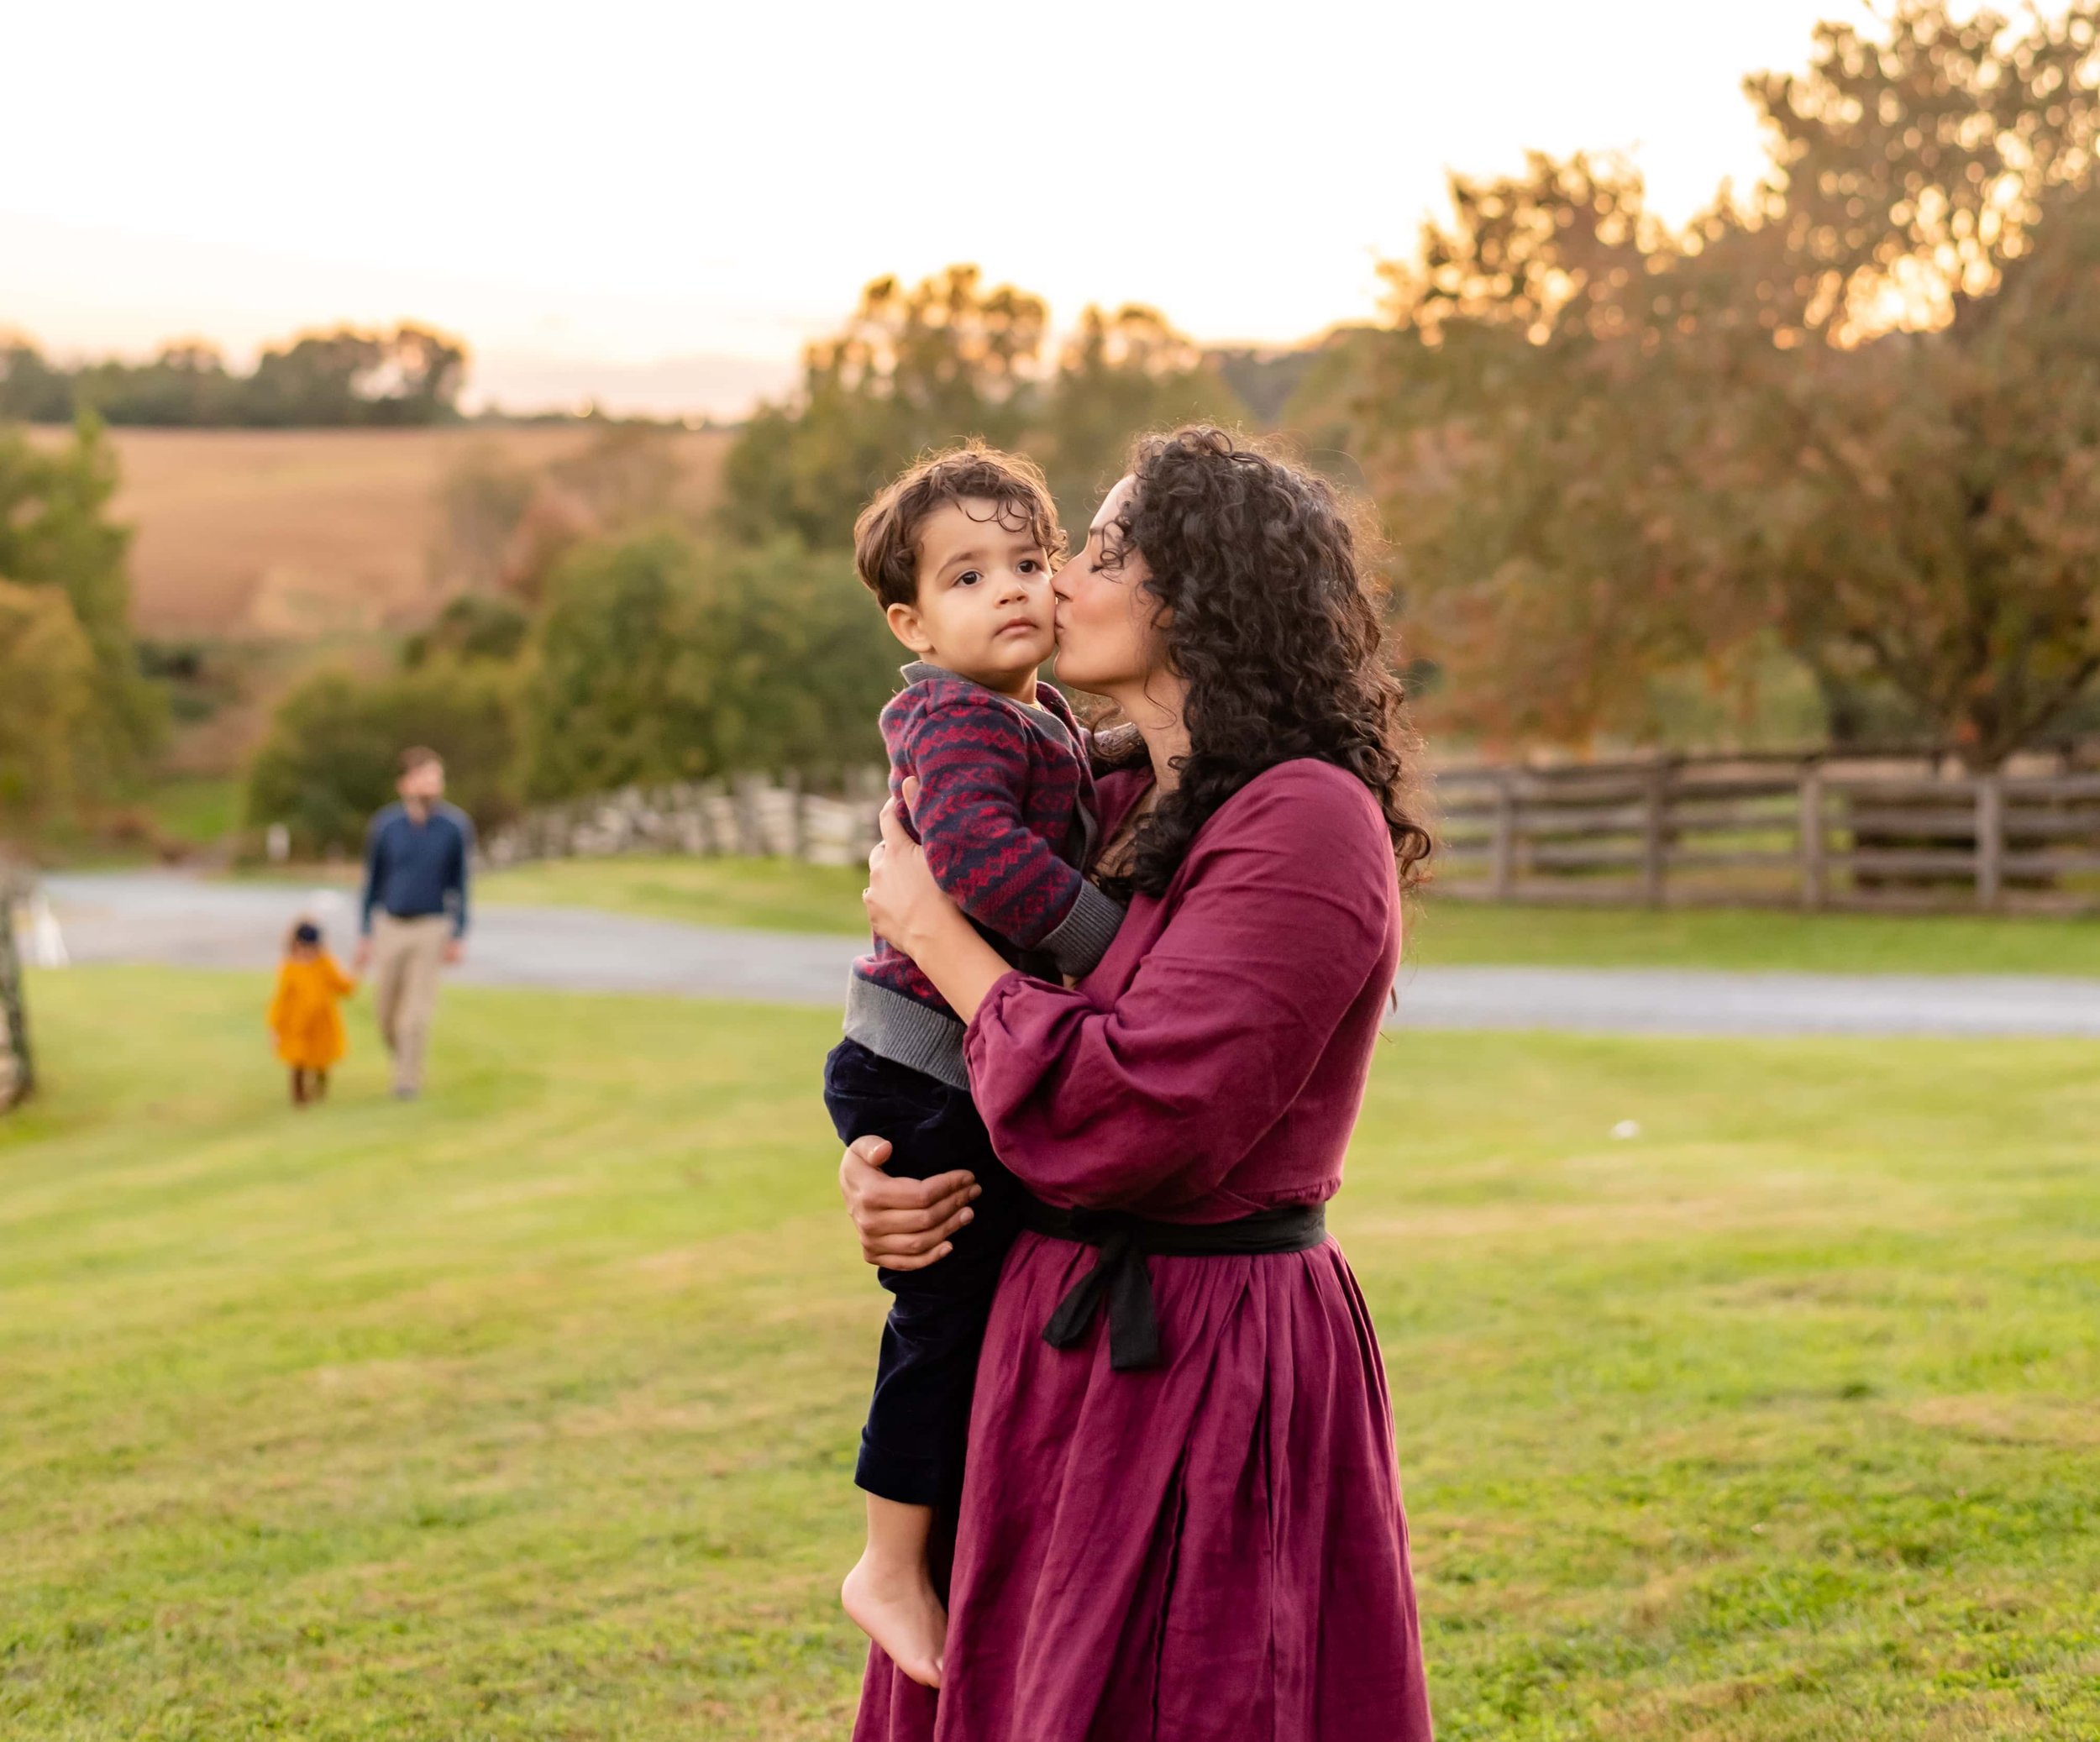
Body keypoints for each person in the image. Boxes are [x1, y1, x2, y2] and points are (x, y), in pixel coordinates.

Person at [841, 427, 1438, 1739]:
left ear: (1202, 595)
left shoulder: (1306, 819)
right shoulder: (1118, 801)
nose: (1054, 584)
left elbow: (1131, 1115)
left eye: (1099, 551)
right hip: (1040, 1339)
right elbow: (993, 1057)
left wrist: (931, 926)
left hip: (1204, 1354)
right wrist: (890, 1178)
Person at [827, 444, 1126, 1687]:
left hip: (959, 1054)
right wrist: (1110, 950)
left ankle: (953, 1541)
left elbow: (1078, 784)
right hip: (922, 1066)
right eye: (967, 575)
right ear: (911, 621)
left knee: (995, 1296)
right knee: (944, 1310)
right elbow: (989, 867)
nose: (1009, 589)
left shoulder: (1036, 712)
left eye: (1026, 560)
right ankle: (886, 1563)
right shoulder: (946, 721)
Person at [354, 747, 471, 1100]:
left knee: (415, 1014)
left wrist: (458, 933)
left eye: (436, 777)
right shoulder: (386, 826)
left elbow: (461, 884)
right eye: (424, 777)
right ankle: (404, 1058)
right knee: (386, 1014)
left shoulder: (454, 827)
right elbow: (372, 882)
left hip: (431, 927)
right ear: (405, 783)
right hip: (391, 925)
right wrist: (365, 933)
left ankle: (406, 1082)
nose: (432, 784)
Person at [267, 919, 355, 1106]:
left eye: (312, 949)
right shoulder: (290, 968)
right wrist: (275, 1026)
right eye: (304, 948)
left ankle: (320, 1088)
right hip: (297, 1023)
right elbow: (281, 1000)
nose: (308, 953)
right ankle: (299, 1099)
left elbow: (343, 987)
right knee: (297, 1061)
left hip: (321, 1023)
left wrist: (356, 970)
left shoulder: (325, 963)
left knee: (321, 1060)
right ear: (296, 945)